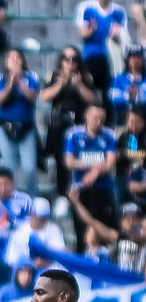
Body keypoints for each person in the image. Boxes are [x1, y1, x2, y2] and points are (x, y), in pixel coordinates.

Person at [40, 47, 98, 216]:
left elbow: (93, 99)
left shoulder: (85, 76)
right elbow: (44, 97)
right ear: (61, 60)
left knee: (79, 159)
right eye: (67, 59)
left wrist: (78, 85)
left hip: (79, 124)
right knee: (61, 161)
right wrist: (61, 84)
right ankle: (62, 196)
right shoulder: (53, 76)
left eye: (74, 59)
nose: (70, 63)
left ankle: (80, 194)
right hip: (59, 125)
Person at [64, 104, 118, 253]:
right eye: (96, 118)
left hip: (103, 188)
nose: (99, 121)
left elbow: (110, 163)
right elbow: (69, 161)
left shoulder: (109, 135)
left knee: (101, 227)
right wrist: (94, 166)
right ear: (86, 117)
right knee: (81, 229)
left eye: (102, 118)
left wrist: (95, 173)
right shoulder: (74, 134)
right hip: (81, 188)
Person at [0, 48, 41, 197]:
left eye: (17, 58)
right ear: (6, 62)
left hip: (26, 128)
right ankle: (11, 199)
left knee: (29, 168)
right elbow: (0, 99)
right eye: (11, 58)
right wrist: (11, 82)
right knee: (10, 168)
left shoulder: (32, 77)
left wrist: (19, 80)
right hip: (5, 127)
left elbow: (31, 96)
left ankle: (33, 198)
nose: (15, 61)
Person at [76, 0, 127, 107]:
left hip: (110, 58)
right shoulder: (87, 8)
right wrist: (91, 30)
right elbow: (82, 33)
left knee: (107, 93)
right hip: (91, 57)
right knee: (89, 88)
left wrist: (115, 34)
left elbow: (123, 36)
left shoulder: (119, 11)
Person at [68, 192, 146, 275]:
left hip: (140, 279)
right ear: (121, 223)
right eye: (127, 219)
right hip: (120, 279)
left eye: (135, 219)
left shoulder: (144, 239)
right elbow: (91, 221)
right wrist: (76, 203)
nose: (131, 222)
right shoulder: (116, 237)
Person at [4, 197, 65, 266]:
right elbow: (11, 260)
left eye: (44, 218)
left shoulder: (54, 229)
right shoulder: (20, 232)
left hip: (49, 268)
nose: (41, 221)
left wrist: (47, 261)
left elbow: (60, 253)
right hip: (25, 269)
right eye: (38, 217)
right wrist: (31, 263)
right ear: (31, 215)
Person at [109, 45, 146, 125]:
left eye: (138, 57)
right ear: (127, 60)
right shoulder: (119, 79)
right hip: (123, 121)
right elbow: (115, 101)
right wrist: (128, 95)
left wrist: (139, 95)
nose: (135, 61)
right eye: (132, 58)